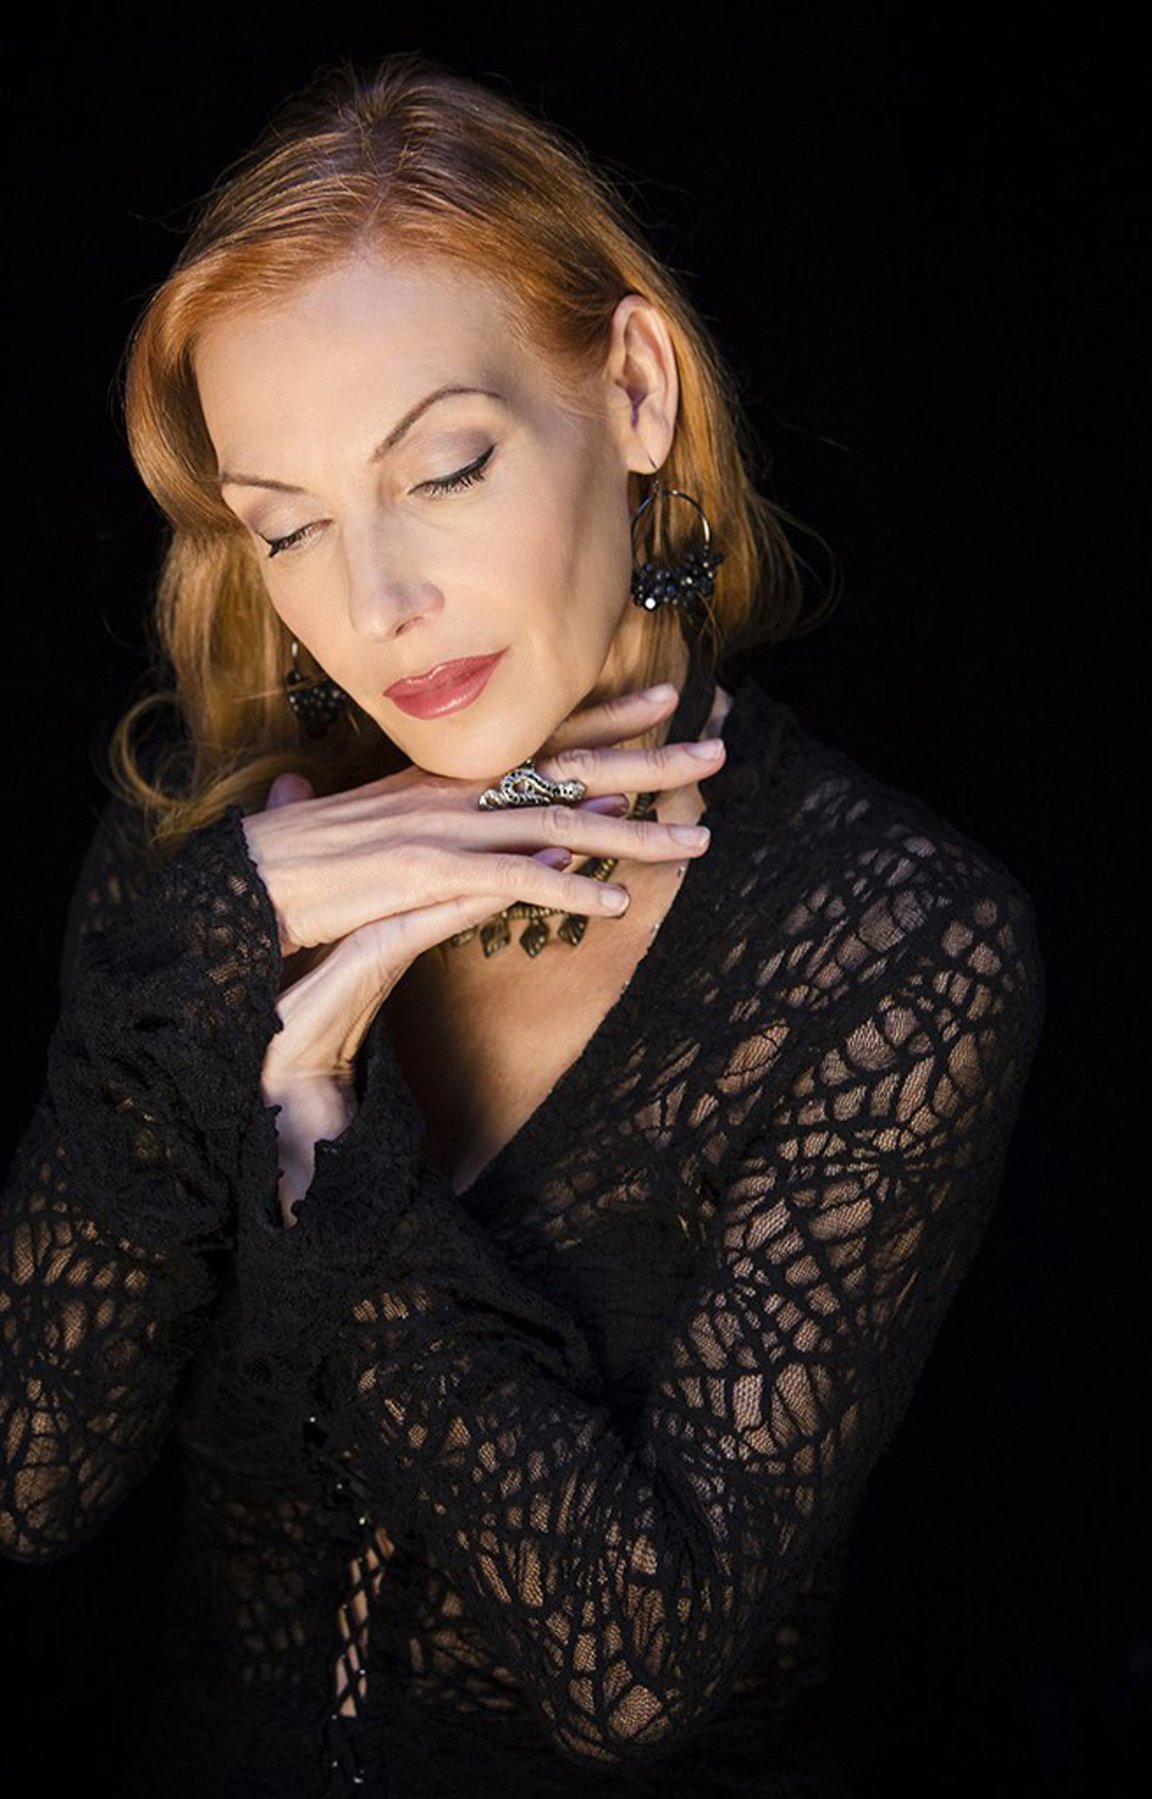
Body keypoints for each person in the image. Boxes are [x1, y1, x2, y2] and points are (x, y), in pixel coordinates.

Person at [0, 52, 1045, 1799]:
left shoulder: (898, 944)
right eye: (291, 530)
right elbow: (30, 1480)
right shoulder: (217, 861)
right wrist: (201, 964)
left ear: (632, 390)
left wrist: (334, 1151)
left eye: (445, 469)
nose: (377, 606)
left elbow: (632, 1671)